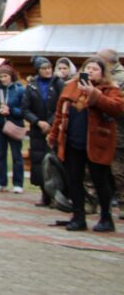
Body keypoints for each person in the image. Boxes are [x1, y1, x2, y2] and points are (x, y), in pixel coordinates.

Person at [47, 56, 124, 232]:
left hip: (98, 143)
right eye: (88, 68)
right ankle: (78, 216)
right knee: (74, 180)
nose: (90, 71)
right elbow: (60, 113)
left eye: (95, 69)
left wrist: (93, 93)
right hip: (73, 142)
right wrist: (53, 134)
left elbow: (117, 108)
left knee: (100, 181)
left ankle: (106, 218)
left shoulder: (109, 88)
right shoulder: (71, 86)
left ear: (102, 73)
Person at [22, 55, 63, 206]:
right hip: (37, 129)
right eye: (44, 68)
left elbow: (62, 105)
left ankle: (57, 195)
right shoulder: (31, 85)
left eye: (49, 68)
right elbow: (25, 108)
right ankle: (44, 193)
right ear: (38, 70)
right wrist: (38, 122)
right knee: (39, 162)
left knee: (54, 162)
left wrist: (50, 123)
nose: (47, 71)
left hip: (54, 128)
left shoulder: (58, 83)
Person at [0, 63, 27, 193]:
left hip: (14, 125)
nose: (3, 79)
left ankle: (18, 183)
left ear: (11, 76)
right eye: (1, 76)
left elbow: (24, 109)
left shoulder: (19, 90)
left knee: (16, 156)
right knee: (1, 155)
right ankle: (1, 182)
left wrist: (11, 111)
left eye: (5, 76)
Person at [96, 48, 124, 220]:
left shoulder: (119, 78)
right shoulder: (104, 77)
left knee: (118, 170)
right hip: (103, 130)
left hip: (119, 131)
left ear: (106, 61)